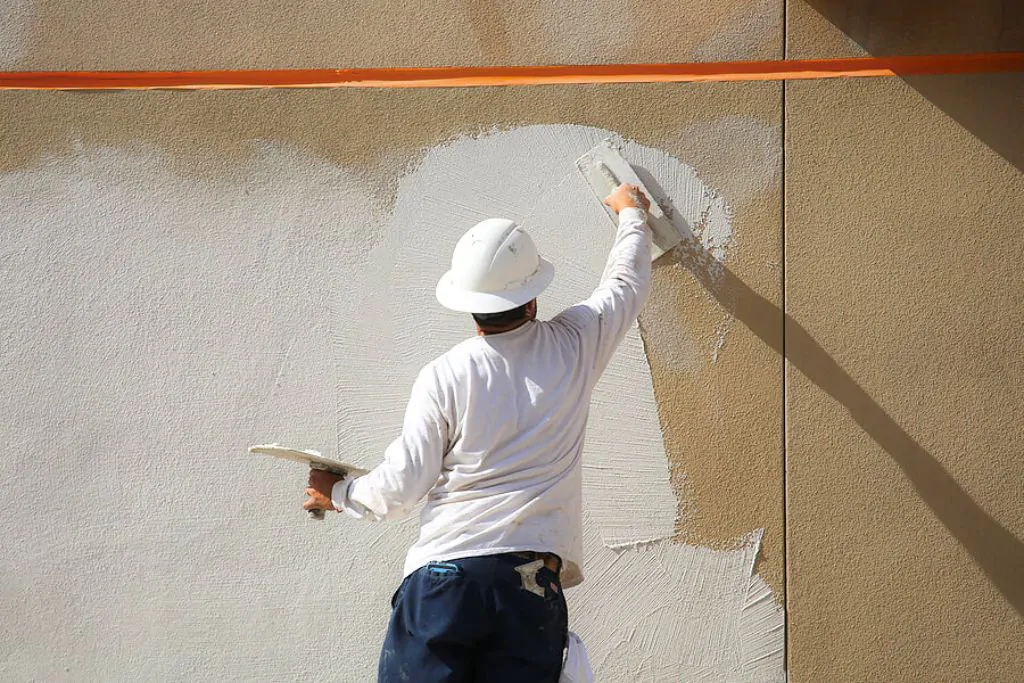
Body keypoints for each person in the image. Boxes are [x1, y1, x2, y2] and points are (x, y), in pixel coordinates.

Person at [304, 183, 653, 683]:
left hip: (444, 582)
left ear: (469, 307)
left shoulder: (444, 375)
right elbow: (625, 285)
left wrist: (335, 492)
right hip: (529, 584)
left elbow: (402, 487)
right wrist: (631, 215)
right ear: (531, 298)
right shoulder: (575, 344)